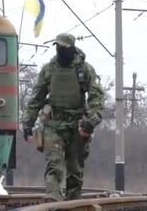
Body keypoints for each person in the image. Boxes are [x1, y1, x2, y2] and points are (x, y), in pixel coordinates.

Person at [22, 33, 105, 201]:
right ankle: (52, 199)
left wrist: (92, 120)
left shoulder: (85, 70)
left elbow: (97, 96)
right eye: (57, 47)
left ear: (72, 49)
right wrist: (27, 122)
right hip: (53, 124)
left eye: (64, 48)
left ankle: (72, 205)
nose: (60, 51)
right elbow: (37, 97)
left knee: (75, 169)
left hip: (77, 125)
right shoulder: (49, 69)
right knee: (55, 163)